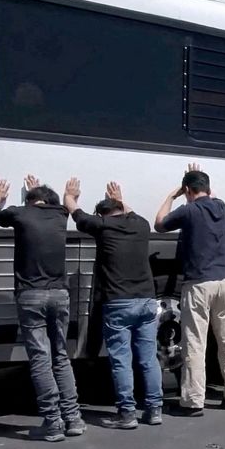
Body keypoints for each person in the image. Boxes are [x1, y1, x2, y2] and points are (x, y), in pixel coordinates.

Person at [0, 176, 86, 441]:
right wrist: (68, 196)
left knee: (41, 359)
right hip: (59, 294)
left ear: (30, 201)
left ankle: (52, 423)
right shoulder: (60, 215)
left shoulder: (21, 214)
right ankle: (74, 418)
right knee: (61, 356)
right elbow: (58, 204)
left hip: (31, 295)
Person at [65, 179, 163, 428]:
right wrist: (121, 197)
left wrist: (70, 195)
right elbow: (129, 213)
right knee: (148, 358)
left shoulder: (101, 225)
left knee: (121, 359)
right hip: (147, 301)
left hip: (119, 303)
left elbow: (74, 211)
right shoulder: (141, 225)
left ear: (102, 214)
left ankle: (127, 414)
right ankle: (154, 410)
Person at [155, 163, 225, 415]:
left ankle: (194, 401)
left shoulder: (188, 210)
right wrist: (198, 178)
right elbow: (209, 195)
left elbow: (160, 223)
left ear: (187, 191)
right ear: (208, 188)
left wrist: (173, 196)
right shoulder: (222, 207)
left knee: (195, 342)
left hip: (199, 282)